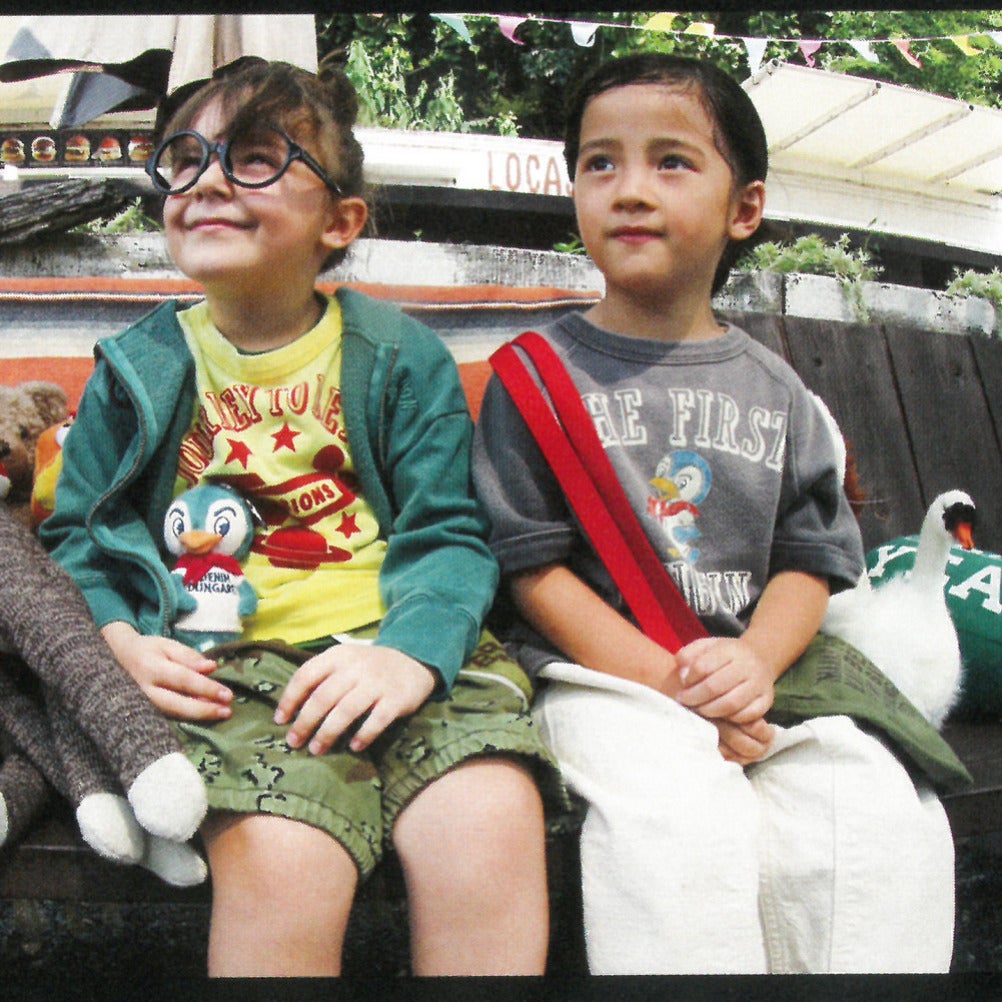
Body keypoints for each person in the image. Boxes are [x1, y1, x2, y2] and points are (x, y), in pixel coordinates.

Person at [41, 58, 559, 977]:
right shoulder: (135, 369)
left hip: (403, 649)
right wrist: (119, 640)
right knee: (283, 865)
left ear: (340, 221)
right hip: (229, 678)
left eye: (253, 158)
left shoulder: (399, 358)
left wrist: (409, 655)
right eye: (186, 157)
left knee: (487, 824)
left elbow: (448, 534)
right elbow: (76, 537)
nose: (206, 179)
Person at [473, 52, 955, 974]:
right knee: (672, 818)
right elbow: (531, 569)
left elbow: (811, 559)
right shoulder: (534, 380)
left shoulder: (780, 391)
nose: (629, 189)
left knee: (872, 811)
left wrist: (754, 662)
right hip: (600, 678)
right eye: (600, 163)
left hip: (758, 668)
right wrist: (675, 688)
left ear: (745, 207)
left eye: (672, 161)